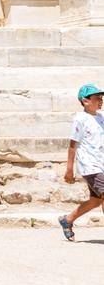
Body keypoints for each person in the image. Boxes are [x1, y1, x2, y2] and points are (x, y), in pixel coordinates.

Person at [59, 82, 104, 240]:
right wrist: (69, 169)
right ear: (85, 101)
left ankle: (68, 219)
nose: (101, 100)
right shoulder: (80, 119)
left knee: (96, 201)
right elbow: (73, 145)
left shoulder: (100, 118)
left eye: (101, 97)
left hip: (101, 165)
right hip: (90, 166)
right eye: (97, 97)